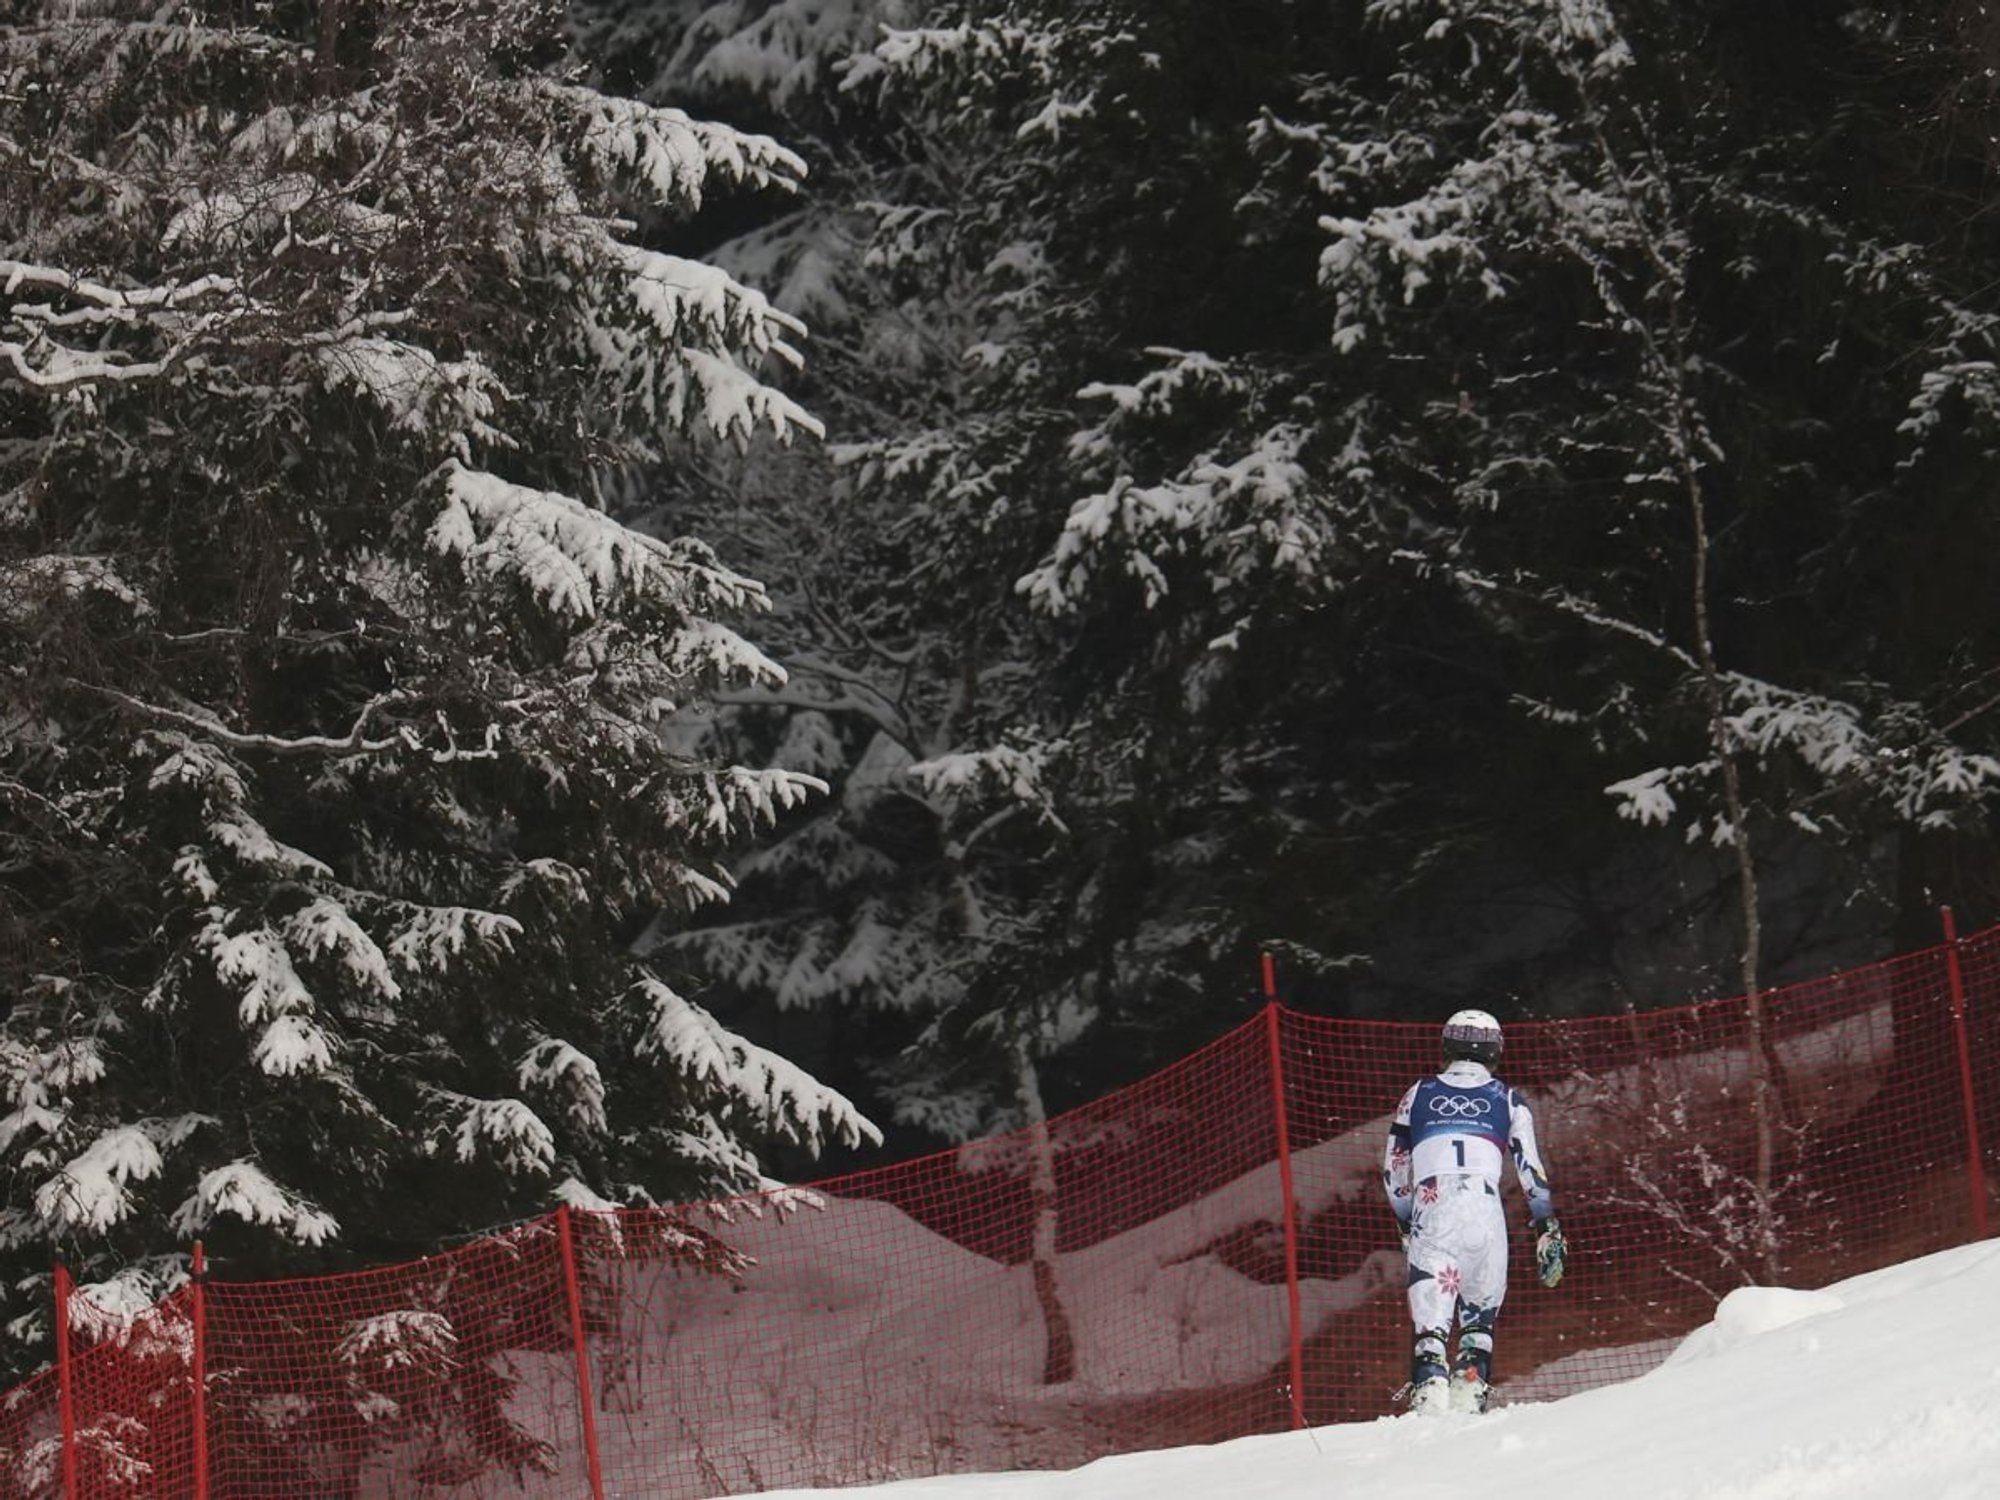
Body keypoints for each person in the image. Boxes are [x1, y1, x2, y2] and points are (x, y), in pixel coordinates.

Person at [1381, 1008, 1566, 1415]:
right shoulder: (1509, 1099)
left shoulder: (1418, 1093)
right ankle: (1470, 1390)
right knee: (1478, 1324)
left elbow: (1394, 1169)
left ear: (1447, 1045)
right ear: (1495, 1051)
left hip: (1434, 1207)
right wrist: (1546, 1228)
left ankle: (1428, 1394)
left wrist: (1406, 1223)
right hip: (1485, 1211)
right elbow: (1531, 1171)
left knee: (1430, 1331)